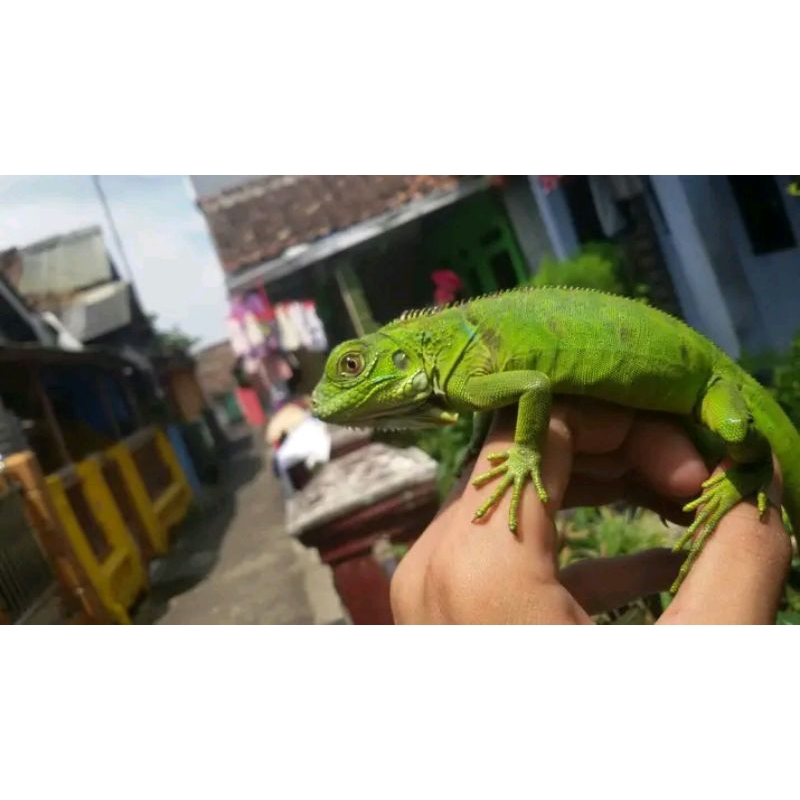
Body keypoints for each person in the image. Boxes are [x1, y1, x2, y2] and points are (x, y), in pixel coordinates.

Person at [390, 397, 792, 625]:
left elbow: (532, 384)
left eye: (352, 368)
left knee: (737, 431)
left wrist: (526, 450)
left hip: (713, 387)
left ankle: (753, 466)